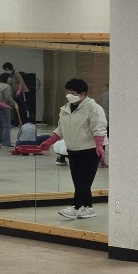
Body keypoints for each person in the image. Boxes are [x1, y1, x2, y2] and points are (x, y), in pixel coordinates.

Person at [39, 78, 107, 219]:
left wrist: (100, 145)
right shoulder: (65, 109)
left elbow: (99, 127)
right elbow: (60, 129)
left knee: (83, 180)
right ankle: (88, 208)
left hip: (90, 149)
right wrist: (49, 142)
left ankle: (75, 207)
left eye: (72, 93)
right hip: (73, 149)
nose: (69, 95)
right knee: (78, 180)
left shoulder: (93, 108)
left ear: (83, 94)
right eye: (67, 92)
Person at [0, 73, 16, 147]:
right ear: (8, 79)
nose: (11, 80)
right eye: (10, 78)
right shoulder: (7, 86)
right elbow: (8, 97)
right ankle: (6, 143)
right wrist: (14, 103)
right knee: (6, 126)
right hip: (4, 107)